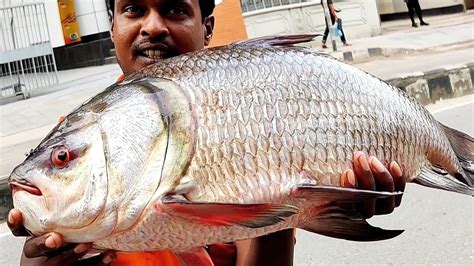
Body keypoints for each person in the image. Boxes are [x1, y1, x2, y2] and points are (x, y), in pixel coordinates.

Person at [7, 0, 406, 265]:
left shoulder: (247, 109)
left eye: (175, 9)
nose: (152, 27)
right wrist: (39, 260)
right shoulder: (79, 134)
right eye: (133, 9)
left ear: (207, 28)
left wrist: (289, 207)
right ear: (112, 26)